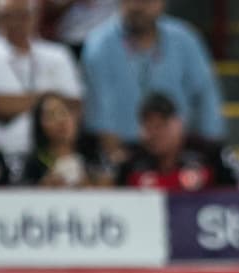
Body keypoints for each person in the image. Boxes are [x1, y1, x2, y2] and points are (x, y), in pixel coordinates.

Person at [80, 0, 224, 162]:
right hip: (124, 149)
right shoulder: (99, 44)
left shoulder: (185, 39)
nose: (137, 7)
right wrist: (117, 159)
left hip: (180, 150)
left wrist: (208, 150)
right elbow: (98, 108)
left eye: (147, 1)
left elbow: (205, 95)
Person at [0, 0, 83, 162]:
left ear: (35, 16)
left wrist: (17, 103)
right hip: (0, 156)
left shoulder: (58, 54)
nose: (17, 22)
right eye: (9, 16)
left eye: (23, 15)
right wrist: (49, 98)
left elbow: (74, 105)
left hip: (50, 157)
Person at [116, 91, 239, 190]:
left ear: (178, 124)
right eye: (148, 127)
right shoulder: (131, 159)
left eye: (161, 126)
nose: (155, 134)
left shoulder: (210, 152)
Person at [19, 89, 103, 185]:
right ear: (39, 125)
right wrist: (43, 187)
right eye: (51, 115)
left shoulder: (93, 154)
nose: (61, 121)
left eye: (64, 112)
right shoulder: (35, 165)